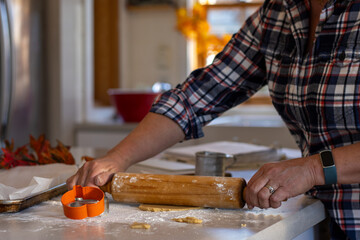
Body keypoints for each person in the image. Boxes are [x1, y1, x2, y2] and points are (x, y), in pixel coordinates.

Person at [67, 0, 360, 238]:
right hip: (328, 216)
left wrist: (313, 169)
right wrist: (117, 158)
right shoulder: (277, 14)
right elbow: (197, 97)